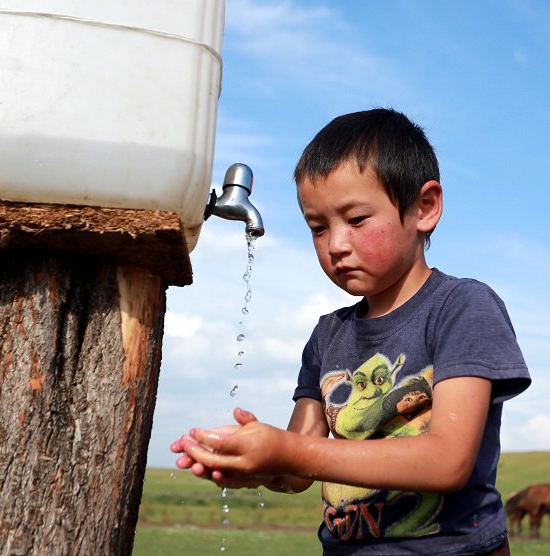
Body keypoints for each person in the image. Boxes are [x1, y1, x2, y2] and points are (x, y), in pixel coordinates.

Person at [171, 108, 531, 555]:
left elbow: (447, 461)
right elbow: (301, 468)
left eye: (356, 220)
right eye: (318, 228)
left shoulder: (461, 308)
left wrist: (289, 452)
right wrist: (257, 464)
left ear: (425, 207)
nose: (336, 245)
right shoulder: (327, 336)